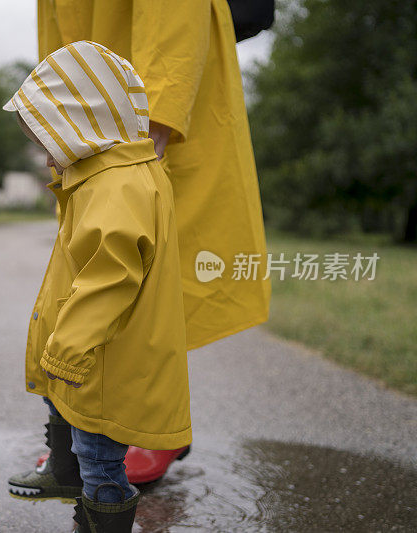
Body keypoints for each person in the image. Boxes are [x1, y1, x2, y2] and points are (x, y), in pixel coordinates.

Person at [33, 0, 272, 485]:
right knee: (88, 265)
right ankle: (91, 431)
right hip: (95, 94)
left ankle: (148, 426)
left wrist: (156, 114)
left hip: (148, 85)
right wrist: (57, 117)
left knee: (146, 271)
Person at [3, 40, 190, 532]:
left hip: (104, 349)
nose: (45, 155)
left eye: (48, 139)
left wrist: (67, 347)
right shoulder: (104, 175)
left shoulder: (118, 186)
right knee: (64, 404)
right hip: (93, 345)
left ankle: (101, 514)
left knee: (101, 457)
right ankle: (65, 474)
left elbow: (110, 279)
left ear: (83, 127)